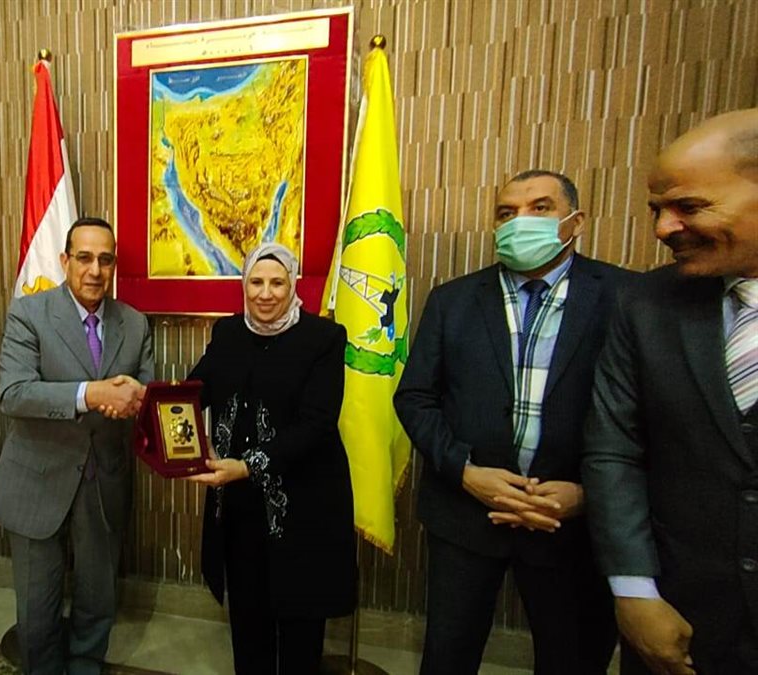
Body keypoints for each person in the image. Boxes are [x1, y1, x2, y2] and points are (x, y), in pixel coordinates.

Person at [394, 170, 630, 674]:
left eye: (540, 208)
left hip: (570, 522)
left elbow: (651, 417)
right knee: (447, 657)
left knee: (571, 659)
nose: (521, 221)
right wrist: (465, 472)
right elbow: (415, 397)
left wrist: (588, 493)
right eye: (507, 213)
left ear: (575, 222)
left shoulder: (626, 297)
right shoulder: (452, 300)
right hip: (465, 515)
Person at [583, 108, 758, 675]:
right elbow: (615, 448)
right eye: (657, 209)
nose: (663, 229)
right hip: (678, 620)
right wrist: (633, 589)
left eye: (690, 207)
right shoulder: (645, 302)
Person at [0, 216, 153, 675]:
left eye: (105, 259)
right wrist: (90, 394)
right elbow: (13, 394)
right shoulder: (29, 313)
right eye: (84, 258)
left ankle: (85, 666)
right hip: (38, 479)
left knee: (98, 598)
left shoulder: (134, 322)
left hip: (104, 480)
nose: (95, 270)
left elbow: (145, 391)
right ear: (64, 260)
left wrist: (137, 399)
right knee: (37, 606)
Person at [183, 242, 356, 675]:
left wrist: (248, 465)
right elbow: (195, 390)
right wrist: (155, 404)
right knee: (248, 624)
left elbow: (317, 423)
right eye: (256, 282)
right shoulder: (228, 332)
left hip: (303, 509)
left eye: (277, 282)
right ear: (244, 285)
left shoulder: (324, 338)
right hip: (240, 509)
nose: (265, 293)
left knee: (300, 633)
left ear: (292, 284)